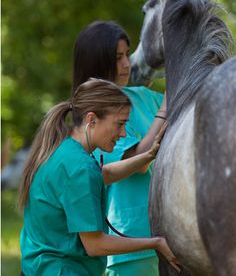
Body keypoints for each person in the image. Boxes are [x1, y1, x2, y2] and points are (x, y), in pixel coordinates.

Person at [18, 78, 180, 276]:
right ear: (91, 120)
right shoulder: (80, 167)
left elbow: (105, 174)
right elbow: (95, 245)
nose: (122, 134)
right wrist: (156, 242)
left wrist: (148, 155)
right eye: (119, 124)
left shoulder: (63, 150)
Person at [73, 21, 167, 275]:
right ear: (96, 61)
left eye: (127, 54)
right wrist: (168, 105)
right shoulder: (92, 115)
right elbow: (140, 161)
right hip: (129, 236)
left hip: (169, 230)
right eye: (117, 58)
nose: (127, 64)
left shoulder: (143, 96)